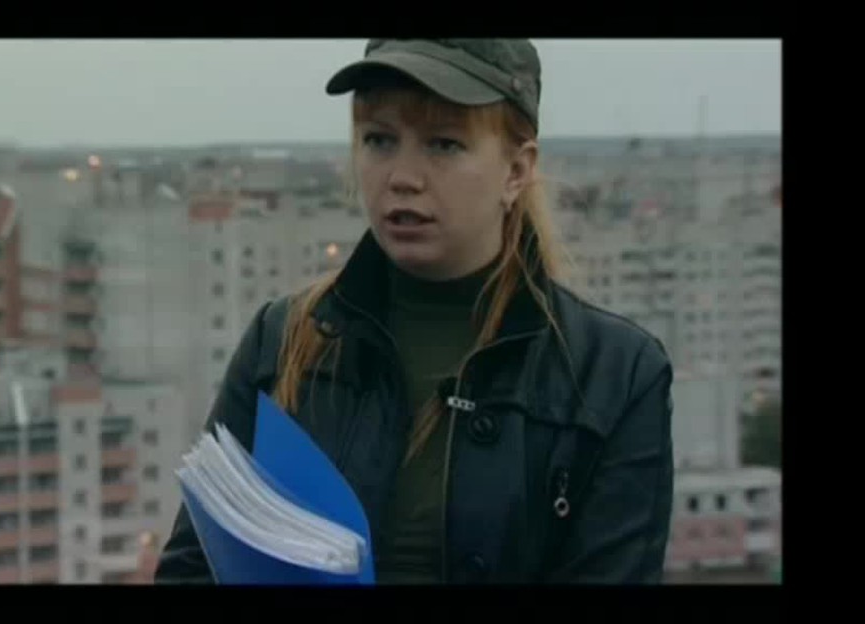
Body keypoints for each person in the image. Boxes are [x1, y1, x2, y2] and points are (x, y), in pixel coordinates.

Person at [156, 38, 674, 584]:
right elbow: (193, 567)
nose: (402, 177)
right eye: (379, 140)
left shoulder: (614, 373)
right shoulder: (282, 340)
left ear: (516, 171)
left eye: (444, 144)